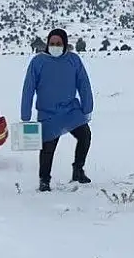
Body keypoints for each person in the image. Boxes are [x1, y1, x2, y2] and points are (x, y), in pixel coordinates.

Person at [20, 28, 94, 192]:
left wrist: (87, 106)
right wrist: (25, 114)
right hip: (48, 113)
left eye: (59, 44)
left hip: (70, 110)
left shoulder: (74, 60)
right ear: (47, 44)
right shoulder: (38, 62)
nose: (55, 46)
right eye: (52, 43)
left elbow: (83, 83)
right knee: (47, 149)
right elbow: (28, 88)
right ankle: (44, 180)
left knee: (85, 136)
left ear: (65, 44)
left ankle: (78, 170)